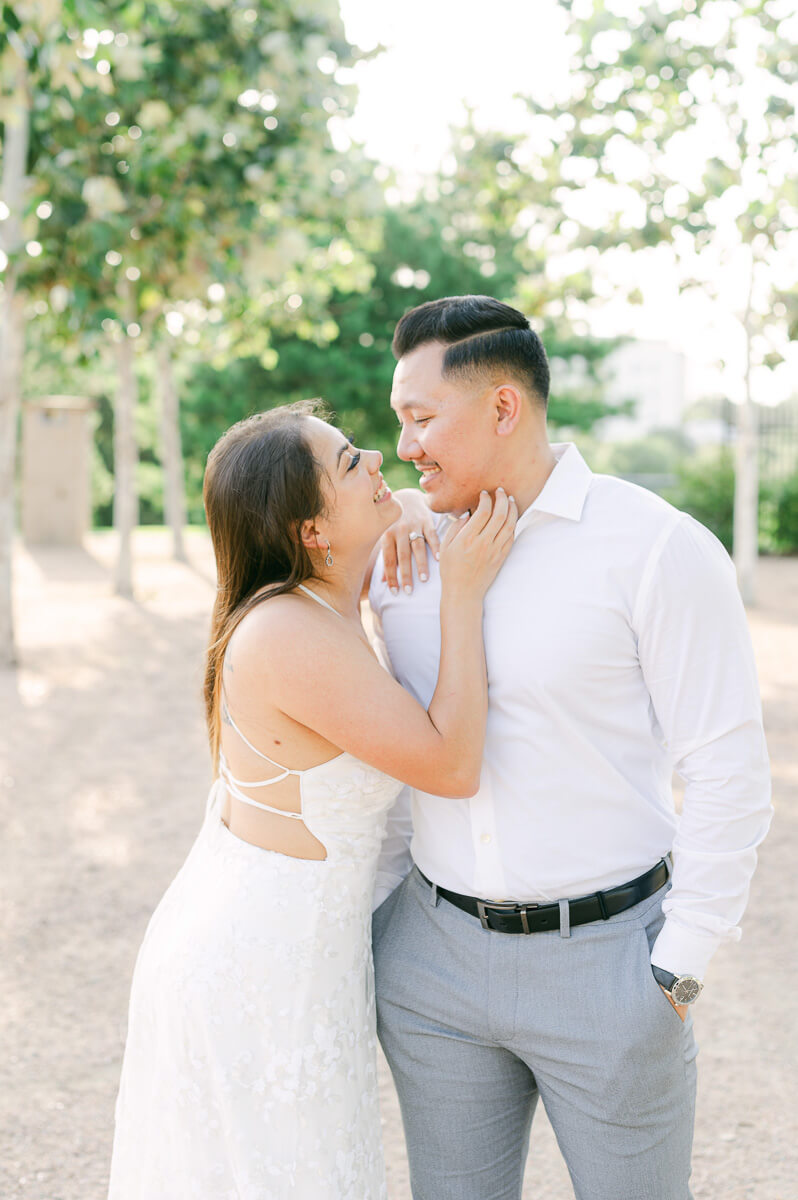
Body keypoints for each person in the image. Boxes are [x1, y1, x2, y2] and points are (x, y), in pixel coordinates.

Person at [368, 296, 773, 1200]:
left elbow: (727, 768)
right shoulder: (401, 553)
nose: (407, 449)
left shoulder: (658, 549)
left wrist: (679, 966)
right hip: (432, 963)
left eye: (421, 420)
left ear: (504, 407)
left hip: (612, 967)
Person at [107, 400, 517, 1199]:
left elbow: (393, 516)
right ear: (311, 532)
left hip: (299, 953)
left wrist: (397, 518)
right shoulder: (285, 634)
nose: (376, 461)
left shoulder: (317, 600)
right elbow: (452, 764)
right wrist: (461, 594)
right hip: (257, 965)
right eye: (349, 462)